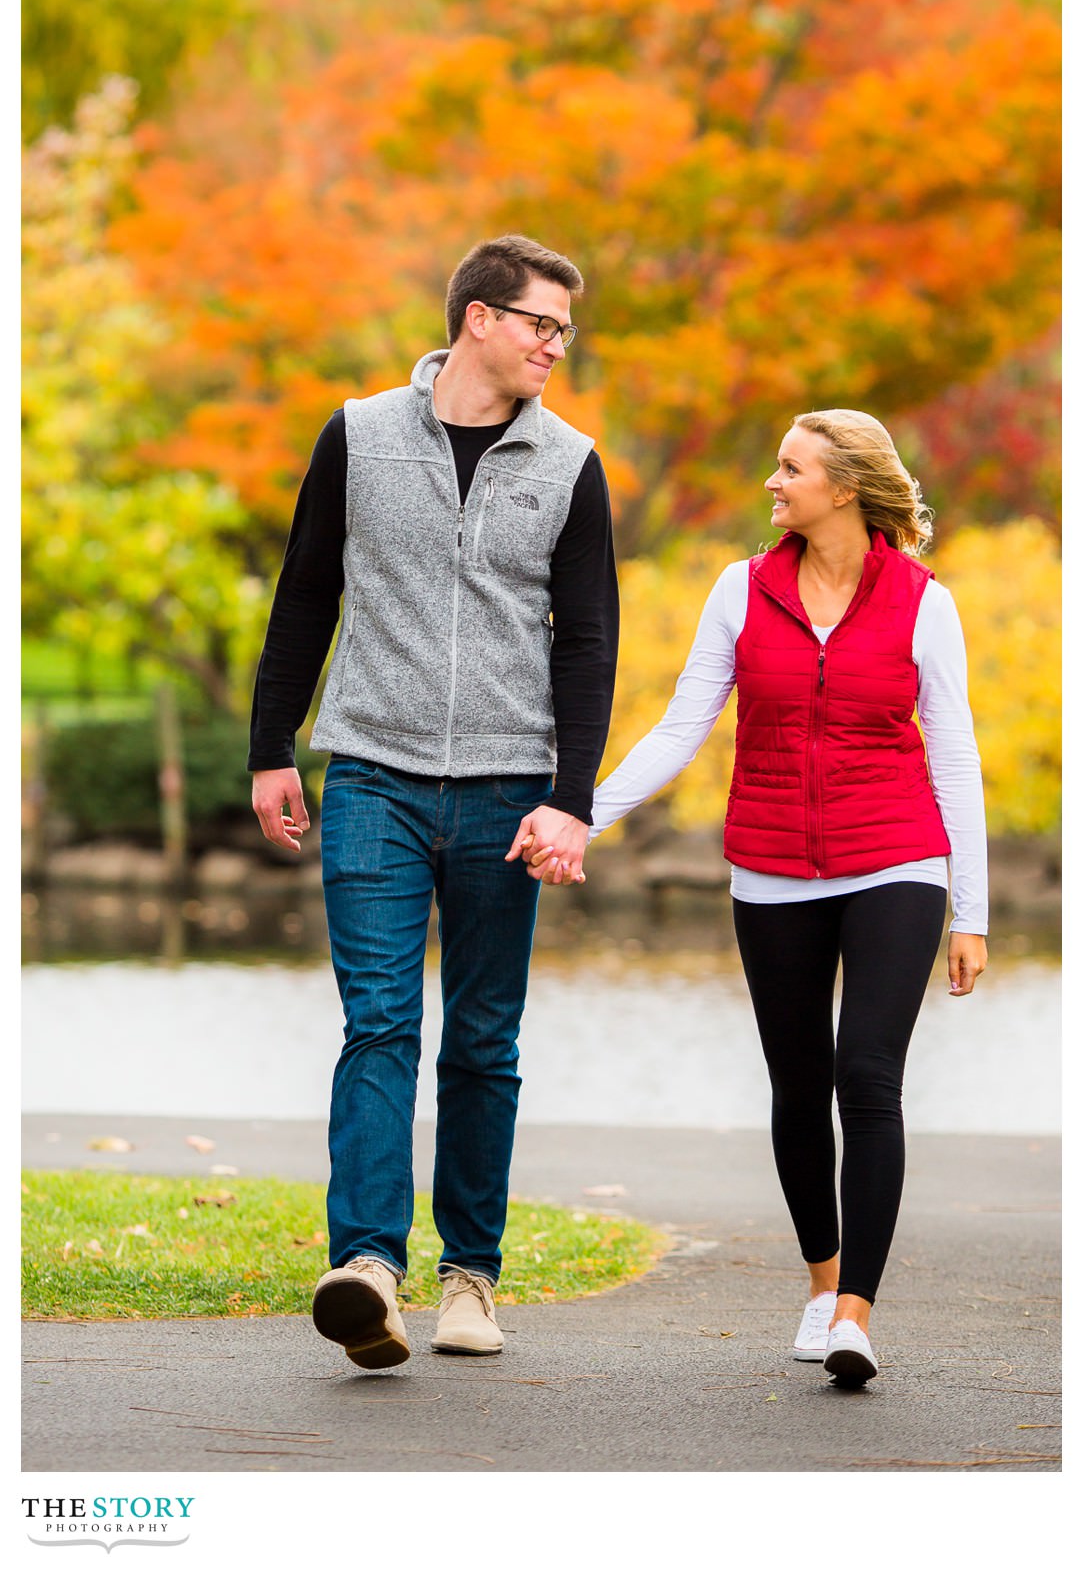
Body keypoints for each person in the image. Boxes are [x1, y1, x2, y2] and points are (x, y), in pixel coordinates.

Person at [526, 409, 987, 1387]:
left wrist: (972, 909)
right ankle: (821, 1282)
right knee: (798, 1081)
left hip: (897, 859)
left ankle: (857, 1309)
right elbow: (680, 726)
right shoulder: (742, 590)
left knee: (868, 1075)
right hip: (772, 866)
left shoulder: (920, 601)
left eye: (791, 467)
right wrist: (581, 814)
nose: (772, 483)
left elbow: (955, 755)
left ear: (847, 487)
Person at [249, 234, 618, 1368]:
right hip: (371, 775)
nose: (556, 344)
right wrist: (273, 748)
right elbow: (306, 592)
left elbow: (590, 639)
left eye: (564, 328)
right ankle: (366, 1265)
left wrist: (571, 799)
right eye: (540, 322)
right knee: (379, 1022)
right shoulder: (358, 433)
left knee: (485, 1037)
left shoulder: (571, 463)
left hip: (511, 789)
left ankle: (471, 1277)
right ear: (477, 318)